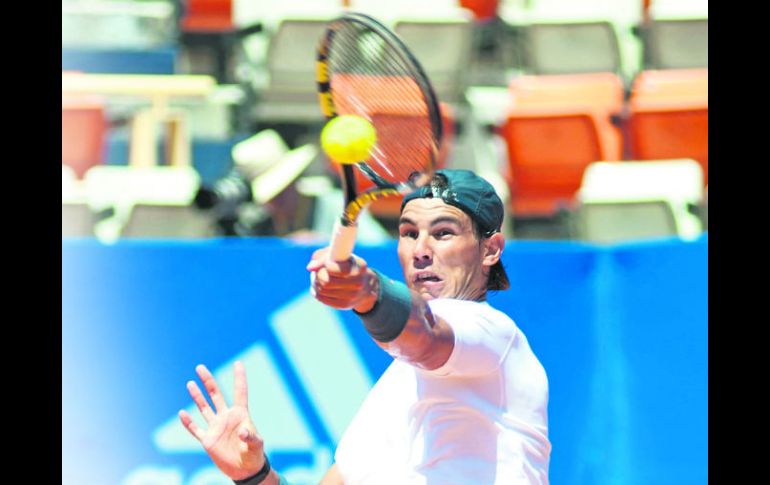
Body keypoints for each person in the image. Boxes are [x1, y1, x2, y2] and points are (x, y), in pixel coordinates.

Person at [179, 169, 551, 484]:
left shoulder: (492, 333)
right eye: (409, 233)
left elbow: (425, 337)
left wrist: (367, 291)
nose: (421, 249)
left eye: (443, 233)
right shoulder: (393, 389)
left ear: (490, 249)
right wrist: (254, 474)